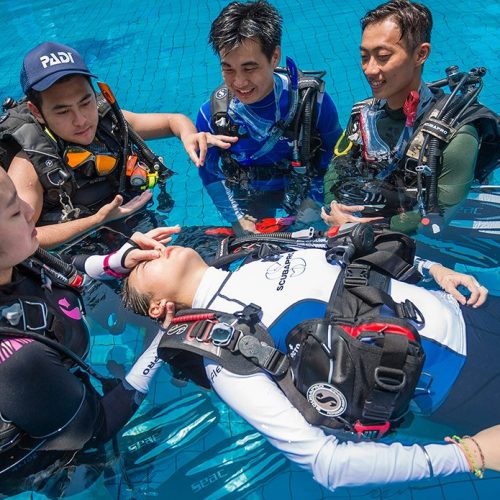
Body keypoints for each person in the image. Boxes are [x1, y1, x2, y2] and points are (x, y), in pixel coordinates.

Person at [121, 233, 500, 491]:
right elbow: (325, 462)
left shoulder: (258, 250)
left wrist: (435, 270)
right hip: (467, 382)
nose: (155, 251)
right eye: (143, 266)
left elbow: (364, 251)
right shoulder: (224, 357)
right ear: (158, 307)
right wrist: (469, 455)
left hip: (474, 309)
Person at [0, 166, 180, 494]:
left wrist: (117, 261)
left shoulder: (14, 258)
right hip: (53, 457)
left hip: (53, 383)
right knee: (95, 476)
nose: (29, 210)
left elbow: (58, 269)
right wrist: (162, 343)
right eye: (14, 210)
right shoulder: (15, 359)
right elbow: (97, 428)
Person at [3, 41, 235, 248]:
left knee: (231, 243)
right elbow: (20, 237)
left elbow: (173, 121)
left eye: (85, 102)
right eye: (63, 111)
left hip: (140, 229)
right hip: (85, 256)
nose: (81, 120)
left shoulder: (109, 122)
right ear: (37, 112)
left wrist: (189, 135)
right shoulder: (28, 165)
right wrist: (97, 220)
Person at [322, 0, 499, 234]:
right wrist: (335, 207)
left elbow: (442, 214)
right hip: (377, 212)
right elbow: (336, 167)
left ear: (420, 54)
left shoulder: (457, 134)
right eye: (364, 57)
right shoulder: (363, 115)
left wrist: (366, 227)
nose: (369, 69)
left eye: (383, 56)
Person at [196, 0, 342, 235]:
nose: (239, 82)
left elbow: (335, 154)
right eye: (228, 69)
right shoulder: (213, 115)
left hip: (304, 190)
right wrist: (236, 219)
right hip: (251, 197)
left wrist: (314, 201)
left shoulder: (310, 102)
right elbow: (209, 171)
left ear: (275, 57)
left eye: (249, 68)